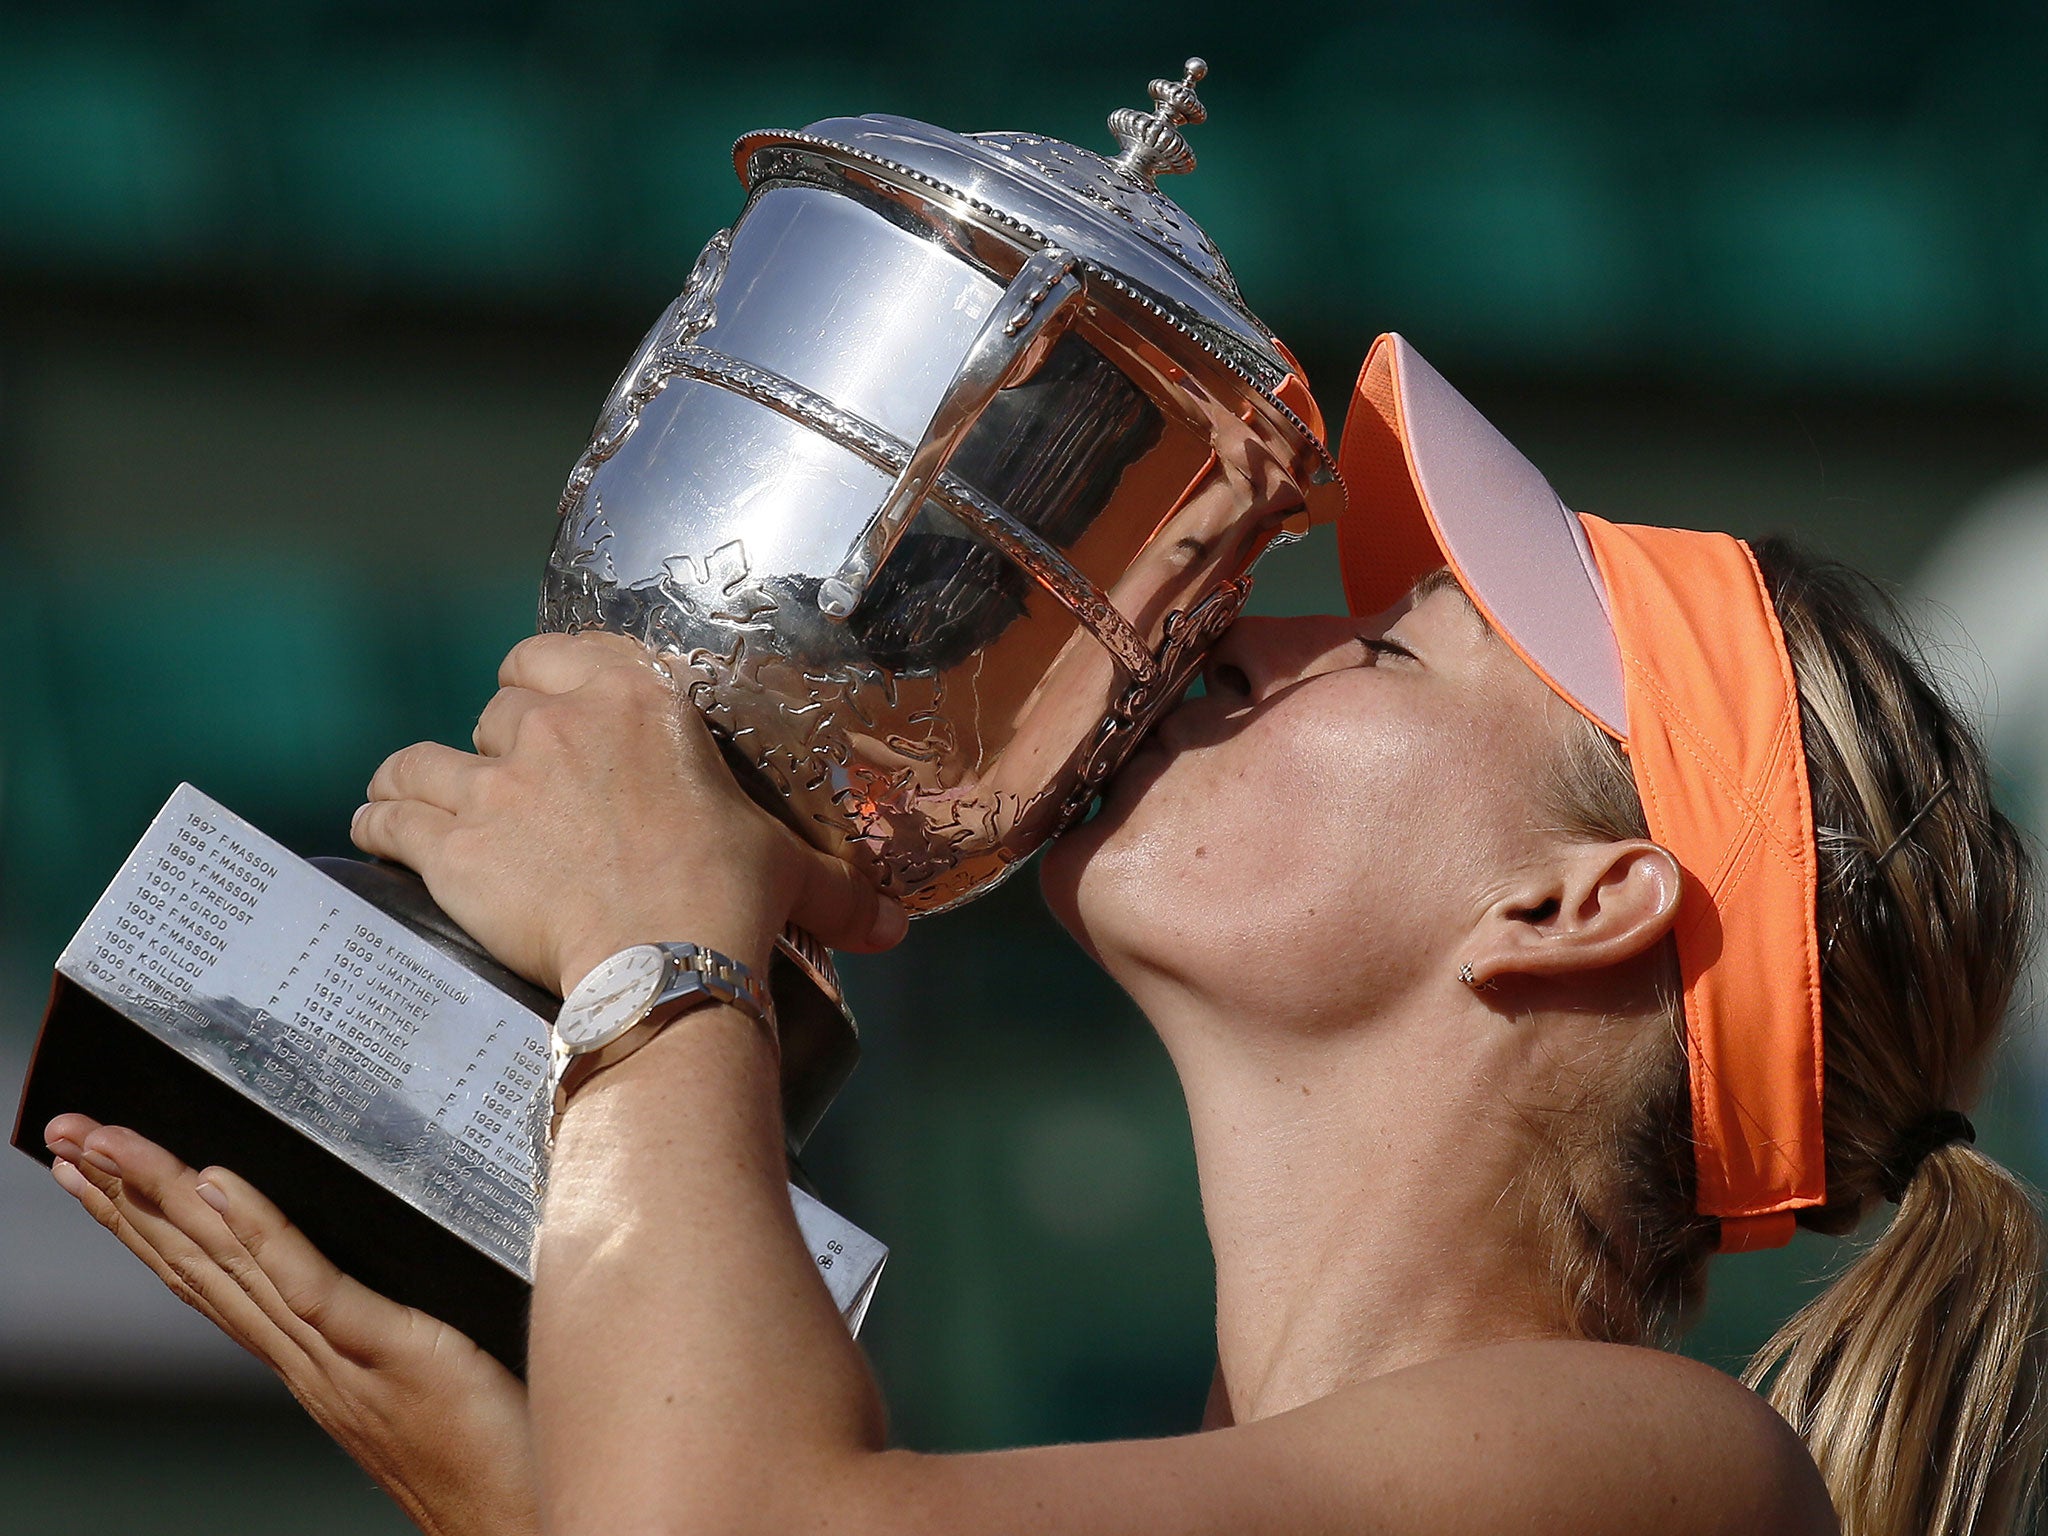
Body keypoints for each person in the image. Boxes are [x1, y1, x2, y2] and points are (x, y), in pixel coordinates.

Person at [42, 333, 2045, 1536]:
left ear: (1576, 903)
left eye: (1368, 647)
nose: (1221, 641)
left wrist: (665, 951)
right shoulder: (1235, 1457)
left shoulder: (1651, 1466)